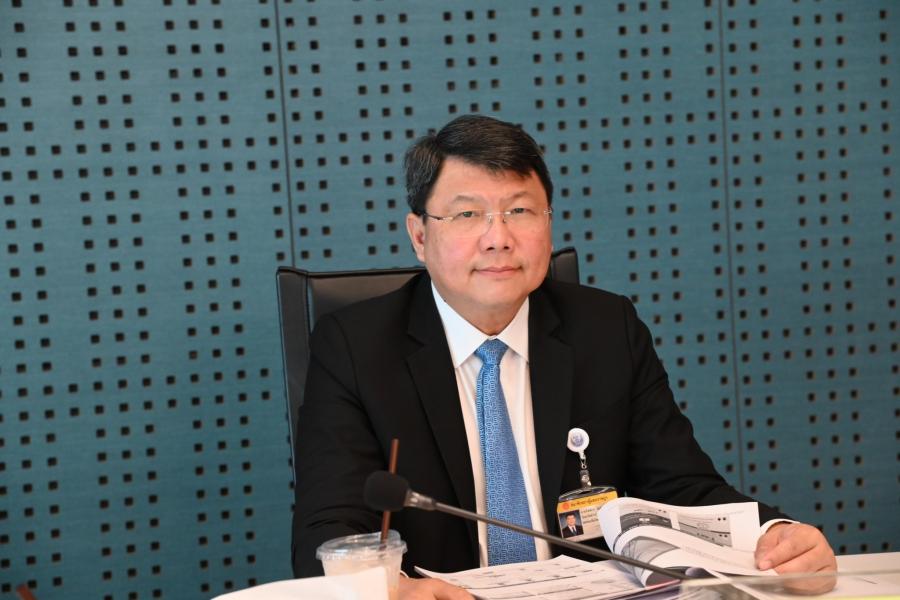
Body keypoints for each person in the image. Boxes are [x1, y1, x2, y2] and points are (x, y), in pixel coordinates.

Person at [291, 115, 836, 599]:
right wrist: (389, 589)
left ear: (548, 225)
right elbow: (328, 529)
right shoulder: (355, 348)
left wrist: (775, 536)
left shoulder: (606, 329)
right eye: (467, 214)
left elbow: (683, 488)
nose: (498, 238)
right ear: (419, 235)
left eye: (520, 210)